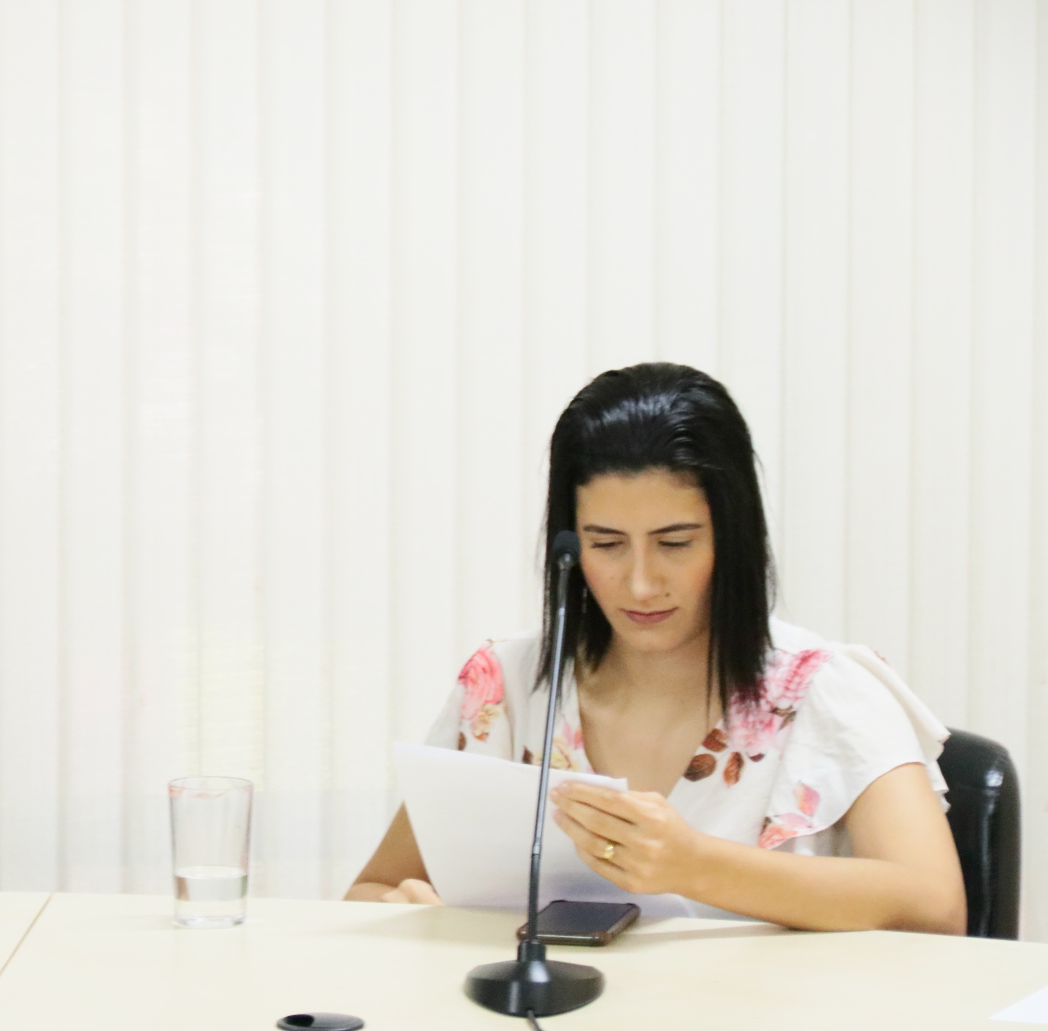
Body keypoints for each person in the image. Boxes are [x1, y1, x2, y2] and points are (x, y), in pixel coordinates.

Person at [348, 363, 966, 934]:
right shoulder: (505, 689)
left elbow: (937, 910)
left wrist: (693, 864)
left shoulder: (823, 689)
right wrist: (410, 918)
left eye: (675, 543)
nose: (640, 584)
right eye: (606, 544)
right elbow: (369, 891)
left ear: (732, 538)